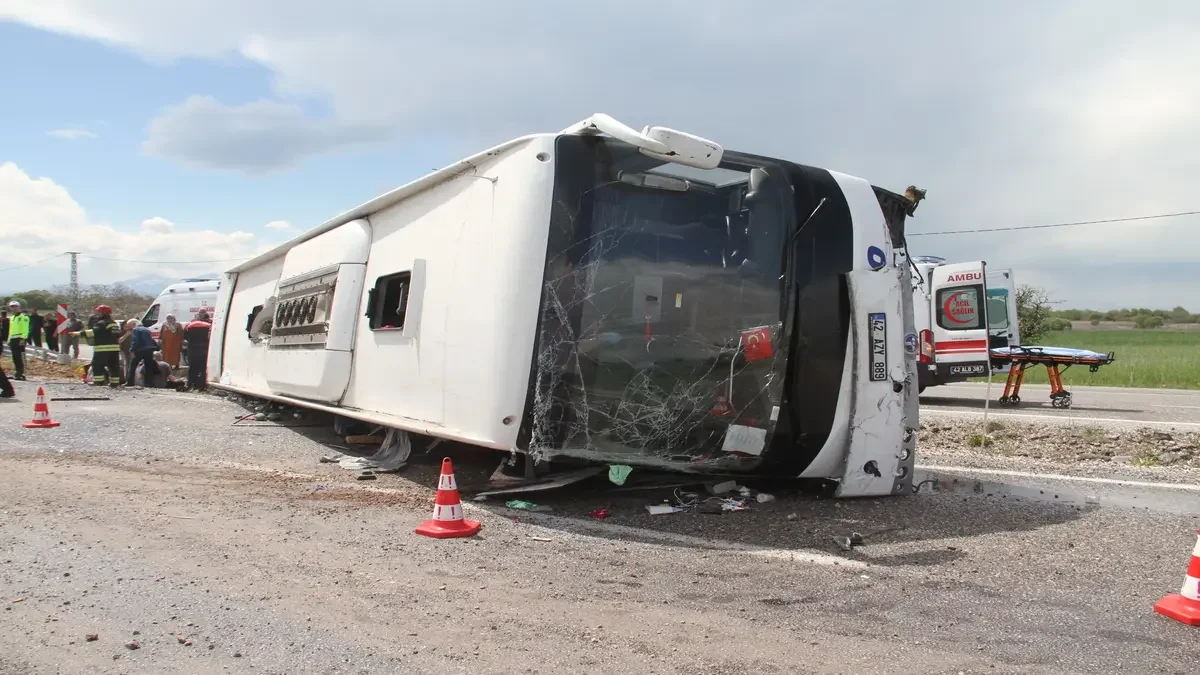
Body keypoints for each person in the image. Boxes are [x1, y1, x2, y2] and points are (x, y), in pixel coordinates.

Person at [75, 305, 123, 387]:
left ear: (104, 313)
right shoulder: (114, 323)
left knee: (97, 365)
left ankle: (98, 382)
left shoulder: (102, 323)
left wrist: (79, 333)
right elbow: (117, 335)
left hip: (102, 349)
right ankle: (114, 383)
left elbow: (93, 332)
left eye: (99, 312)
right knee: (113, 366)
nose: (97, 314)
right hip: (114, 349)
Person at [184, 310, 212, 390]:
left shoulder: (190, 326)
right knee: (203, 368)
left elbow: (185, 337)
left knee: (192, 368)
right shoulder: (208, 326)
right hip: (204, 350)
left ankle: (190, 384)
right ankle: (201, 385)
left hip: (192, 350)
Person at [126, 319, 158, 387]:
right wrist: (156, 347)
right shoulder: (147, 329)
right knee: (148, 367)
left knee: (133, 365)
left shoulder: (136, 330)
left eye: (129, 325)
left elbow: (135, 341)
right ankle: (149, 383)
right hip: (149, 350)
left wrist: (132, 350)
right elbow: (151, 340)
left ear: (133, 324)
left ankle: (130, 382)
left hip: (140, 350)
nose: (129, 328)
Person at [6, 301, 29, 381]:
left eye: (15, 306)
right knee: (14, 357)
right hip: (13, 339)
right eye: (12, 306)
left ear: (19, 307)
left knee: (20, 356)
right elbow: (11, 330)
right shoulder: (12, 318)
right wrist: (9, 339)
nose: (13, 308)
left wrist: (23, 338)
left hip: (20, 339)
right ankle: (17, 372)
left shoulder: (24, 317)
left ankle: (22, 373)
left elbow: (25, 328)